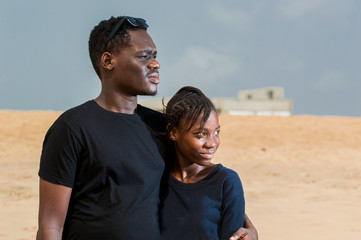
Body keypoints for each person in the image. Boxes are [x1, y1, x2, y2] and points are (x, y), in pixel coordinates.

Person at [36, 16, 258, 240]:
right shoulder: (72, 128)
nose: (155, 64)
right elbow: (51, 226)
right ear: (108, 61)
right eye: (143, 57)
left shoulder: (160, 127)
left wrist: (250, 228)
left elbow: (204, 182)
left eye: (155, 56)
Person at [160, 86, 245, 239]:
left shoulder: (226, 182)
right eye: (201, 134)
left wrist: (251, 230)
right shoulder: (156, 179)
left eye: (217, 132)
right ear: (173, 132)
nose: (212, 143)